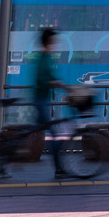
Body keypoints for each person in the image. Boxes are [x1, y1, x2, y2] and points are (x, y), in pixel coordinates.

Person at [31, 26, 67, 176]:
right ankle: (59, 168)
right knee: (53, 133)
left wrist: (57, 82)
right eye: (53, 40)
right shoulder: (43, 58)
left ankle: (8, 156)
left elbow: (49, 75)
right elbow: (41, 78)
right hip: (40, 99)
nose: (55, 43)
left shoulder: (46, 57)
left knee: (32, 131)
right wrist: (52, 82)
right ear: (48, 41)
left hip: (42, 99)